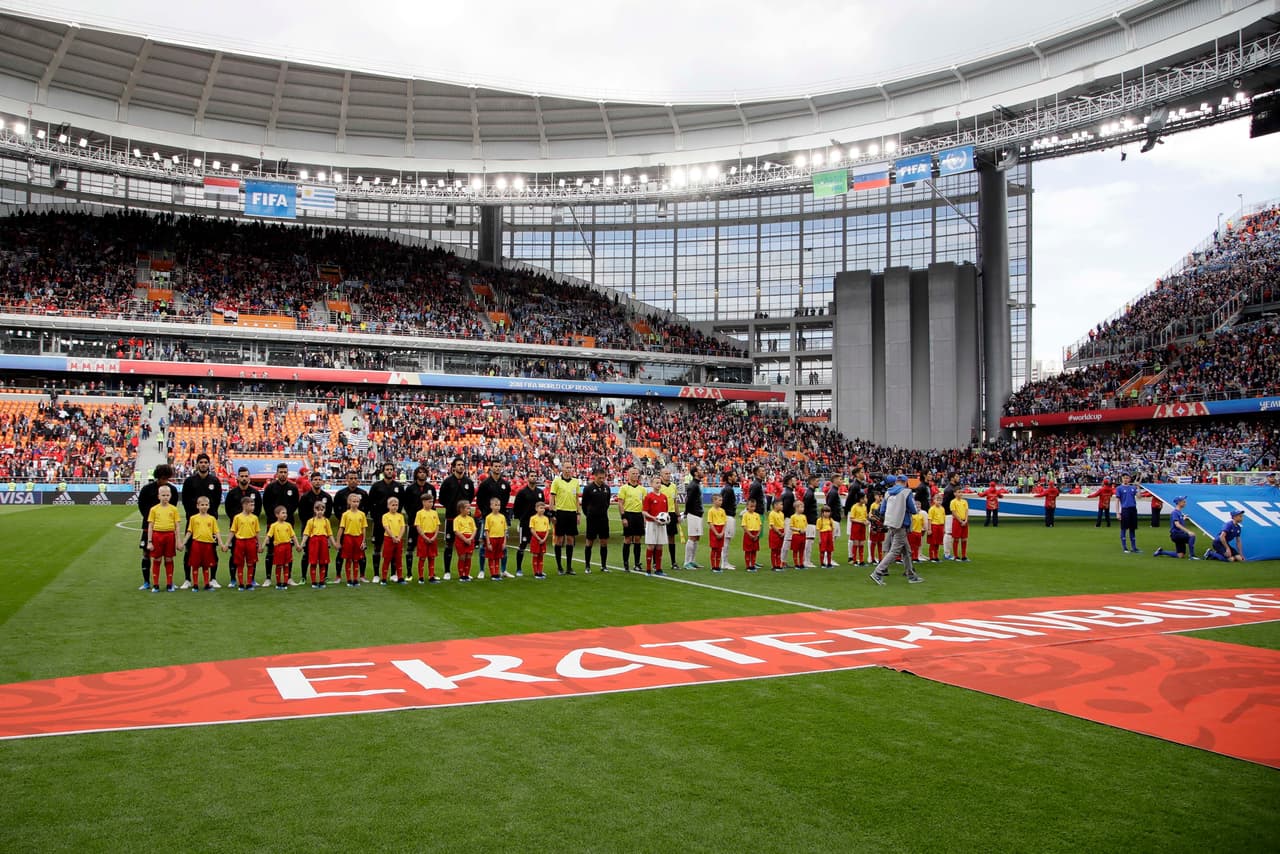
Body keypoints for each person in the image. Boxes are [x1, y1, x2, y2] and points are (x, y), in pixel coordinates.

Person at [869, 475, 925, 585]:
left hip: (891, 523)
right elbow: (913, 510)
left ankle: (911, 574)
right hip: (902, 524)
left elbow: (882, 510)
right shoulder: (906, 492)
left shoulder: (887, 493)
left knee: (906, 551)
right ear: (905, 482)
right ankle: (878, 572)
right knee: (895, 551)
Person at [180, 453, 223, 588]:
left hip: (209, 523)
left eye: (205, 462)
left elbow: (216, 500)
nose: (203, 464)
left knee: (212, 551)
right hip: (194, 521)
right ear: (197, 464)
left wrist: (210, 515)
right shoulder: (189, 481)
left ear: (209, 464)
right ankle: (187, 579)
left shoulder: (214, 481)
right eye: (201, 462)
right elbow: (185, 500)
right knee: (189, 551)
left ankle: (213, 578)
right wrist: (193, 516)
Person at [137, 464, 178, 590]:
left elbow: (173, 507)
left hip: (166, 529)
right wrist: (152, 519)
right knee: (146, 553)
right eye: (162, 478)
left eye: (167, 478)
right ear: (157, 477)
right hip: (149, 526)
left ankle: (169, 582)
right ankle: (146, 582)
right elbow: (141, 505)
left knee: (168, 555)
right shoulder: (147, 489)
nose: (164, 481)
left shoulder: (172, 490)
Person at [261, 463, 300, 584]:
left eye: (285, 472)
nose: (283, 474)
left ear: (287, 473)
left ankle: (288, 578)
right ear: (277, 473)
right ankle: (268, 578)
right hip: (273, 523)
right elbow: (266, 504)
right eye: (280, 472)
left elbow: (294, 505)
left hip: (288, 524)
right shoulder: (270, 487)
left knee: (288, 551)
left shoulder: (293, 488)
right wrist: (275, 519)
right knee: (271, 550)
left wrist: (285, 518)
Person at [368, 462, 406, 583]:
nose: (389, 471)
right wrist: (376, 517)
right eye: (387, 469)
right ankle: (376, 574)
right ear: (383, 471)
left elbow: (402, 503)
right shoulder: (376, 486)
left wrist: (396, 516)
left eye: (391, 469)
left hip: (394, 522)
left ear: (394, 471)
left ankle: (394, 573)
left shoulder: (399, 486)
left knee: (394, 548)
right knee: (377, 546)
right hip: (380, 521)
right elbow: (371, 502)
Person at [438, 457, 475, 581]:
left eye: (462, 464)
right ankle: (447, 571)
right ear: (453, 467)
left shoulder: (468, 482)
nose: (461, 466)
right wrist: (451, 506)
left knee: (467, 546)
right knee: (449, 544)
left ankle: (465, 572)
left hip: (466, 519)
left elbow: (470, 498)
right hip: (451, 517)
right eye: (458, 464)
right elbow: (442, 498)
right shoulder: (448, 482)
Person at [475, 461, 512, 577]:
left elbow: (505, 500)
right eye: (495, 466)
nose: (497, 468)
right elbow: (479, 500)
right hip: (487, 518)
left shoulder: (505, 484)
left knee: (503, 545)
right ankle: (481, 570)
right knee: (483, 544)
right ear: (491, 468)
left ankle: (503, 570)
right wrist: (486, 512)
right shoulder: (485, 484)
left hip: (501, 518)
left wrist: (500, 512)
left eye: (499, 466)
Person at [332, 470, 368, 581]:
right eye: (351, 478)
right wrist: (345, 520)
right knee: (341, 552)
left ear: (358, 480)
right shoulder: (340, 493)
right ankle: (338, 575)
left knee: (361, 554)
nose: (353, 481)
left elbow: (366, 508)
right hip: (345, 529)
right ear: (347, 480)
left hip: (358, 529)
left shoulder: (363, 493)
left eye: (355, 478)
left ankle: (361, 575)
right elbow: (336, 508)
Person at [182, 495, 224, 591]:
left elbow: (216, 532)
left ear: (209, 506)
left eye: (206, 504)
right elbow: (189, 532)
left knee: (206, 565)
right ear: (197, 506)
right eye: (202, 505)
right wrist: (183, 542)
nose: (204, 506)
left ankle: (206, 584)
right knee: (195, 565)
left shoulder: (212, 519)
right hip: (197, 544)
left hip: (208, 544)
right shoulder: (193, 518)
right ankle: (195, 585)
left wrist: (221, 544)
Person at [145, 483, 182, 592]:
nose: (165, 497)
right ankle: (156, 585)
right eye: (163, 495)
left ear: (170, 496)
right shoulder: (154, 509)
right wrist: (149, 541)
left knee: (169, 559)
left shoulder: (174, 509)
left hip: (170, 535)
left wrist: (178, 541)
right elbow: (150, 526)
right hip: (157, 536)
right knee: (157, 559)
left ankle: (169, 584)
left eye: (167, 495)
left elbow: (177, 526)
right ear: (159, 496)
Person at [403, 466, 437, 573]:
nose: (422, 474)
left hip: (428, 525)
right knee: (410, 548)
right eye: (420, 472)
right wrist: (412, 515)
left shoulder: (431, 488)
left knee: (429, 550)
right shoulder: (410, 488)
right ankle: (409, 573)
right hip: (414, 523)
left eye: (424, 472)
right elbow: (406, 504)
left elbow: (433, 502)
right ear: (416, 474)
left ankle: (429, 573)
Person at [550, 462, 581, 576]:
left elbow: (577, 499)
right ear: (562, 468)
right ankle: (559, 566)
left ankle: (569, 566)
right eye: (566, 467)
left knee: (570, 539)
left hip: (572, 513)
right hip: (560, 513)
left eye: (570, 467)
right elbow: (552, 498)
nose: (568, 469)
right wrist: (552, 514)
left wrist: (578, 513)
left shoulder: (575, 482)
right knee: (559, 539)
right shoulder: (557, 481)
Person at [581, 466, 613, 574]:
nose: (602, 480)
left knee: (604, 542)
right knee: (589, 541)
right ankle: (587, 566)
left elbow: (607, 502)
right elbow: (584, 504)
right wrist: (589, 514)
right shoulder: (588, 488)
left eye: (603, 478)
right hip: (592, 519)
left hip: (603, 518)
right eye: (600, 478)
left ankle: (603, 566)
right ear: (594, 477)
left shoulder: (607, 488)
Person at [616, 466, 646, 574]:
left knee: (638, 539)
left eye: (637, 473)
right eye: (633, 473)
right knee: (628, 539)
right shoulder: (624, 488)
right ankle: (626, 563)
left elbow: (644, 505)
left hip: (638, 515)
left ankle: (637, 563)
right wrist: (623, 517)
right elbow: (620, 503)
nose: (635, 475)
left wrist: (644, 518)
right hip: (628, 515)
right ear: (628, 475)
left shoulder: (642, 489)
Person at [229, 495, 262, 589]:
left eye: (253, 505)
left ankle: (249, 583)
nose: (253, 507)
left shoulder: (254, 518)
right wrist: (227, 543)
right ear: (244, 505)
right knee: (240, 563)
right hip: (240, 542)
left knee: (251, 563)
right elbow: (233, 531)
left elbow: (257, 532)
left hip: (251, 542)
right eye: (251, 505)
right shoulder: (237, 517)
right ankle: (240, 584)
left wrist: (259, 545)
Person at [302, 498, 337, 587]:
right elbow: (306, 534)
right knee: (313, 562)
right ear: (314, 510)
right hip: (314, 542)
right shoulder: (310, 521)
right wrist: (302, 544)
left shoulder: (326, 521)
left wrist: (334, 544)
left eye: (322, 510)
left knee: (323, 562)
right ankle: (314, 582)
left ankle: (321, 581)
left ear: (324, 510)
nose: (320, 512)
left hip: (323, 542)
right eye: (317, 510)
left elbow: (330, 534)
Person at [337, 492, 369, 587]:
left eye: (357, 501)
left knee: (356, 559)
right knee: (348, 559)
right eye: (354, 501)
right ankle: (349, 579)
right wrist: (338, 541)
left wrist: (363, 541)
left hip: (358, 538)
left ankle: (355, 579)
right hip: (348, 538)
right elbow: (341, 528)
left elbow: (364, 528)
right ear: (349, 502)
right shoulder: (345, 514)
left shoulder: (362, 514)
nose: (355, 503)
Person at [512, 476, 541, 577]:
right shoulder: (522, 492)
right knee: (522, 545)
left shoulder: (539, 492)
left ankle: (538, 570)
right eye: (531, 476)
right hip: (525, 524)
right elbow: (516, 508)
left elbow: (542, 506)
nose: (533, 477)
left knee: (539, 547)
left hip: (538, 525)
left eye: (534, 476)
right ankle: (518, 568)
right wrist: (521, 518)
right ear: (528, 478)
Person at [266, 506, 301, 590]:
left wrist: (297, 545)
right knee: (278, 565)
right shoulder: (274, 525)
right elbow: (268, 536)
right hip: (278, 547)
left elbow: (293, 536)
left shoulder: (288, 525)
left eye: (285, 513)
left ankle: (285, 583)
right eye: (283, 513)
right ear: (277, 515)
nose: (285, 515)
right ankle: (278, 583)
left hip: (287, 546)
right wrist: (262, 546)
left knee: (286, 564)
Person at [641, 475, 669, 576]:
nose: (658, 485)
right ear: (651, 484)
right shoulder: (649, 497)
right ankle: (648, 569)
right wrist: (654, 518)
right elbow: (644, 512)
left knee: (660, 546)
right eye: (656, 483)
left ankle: (658, 568)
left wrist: (665, 519)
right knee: (651, 545)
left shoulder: (664, 497)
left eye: (659, 483)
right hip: (651, 523)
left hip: (661, 525)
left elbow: (666, 512)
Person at [379, 496, 408, 584]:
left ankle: (400, 577)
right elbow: (386, 527)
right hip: (389, 539)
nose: (395, 507)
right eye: (393, 505)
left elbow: (403, 527)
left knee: (398, 558)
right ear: (388, 506)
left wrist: (399, 537)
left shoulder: (400, 516)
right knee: (387, 558)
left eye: (396, 505)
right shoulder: (385, 516)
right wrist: (393, 537)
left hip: (398, 539)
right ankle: (384, 578)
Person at [414, 492, 441, 583]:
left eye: (432, 502)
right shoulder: (419, 513)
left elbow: (437, 525)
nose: (431, 503)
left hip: (432, 536)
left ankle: (431, 576)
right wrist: (424, 537)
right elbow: (418, 526)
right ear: (423, 502)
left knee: (432, 557)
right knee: (422, 557)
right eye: (429, 502)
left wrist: (434, 536)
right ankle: (421, 577)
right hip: (423, 537)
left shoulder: (434, 513)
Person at [683, 464, 705, 570]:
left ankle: (692, 560)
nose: (702, 471)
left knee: (696, 537)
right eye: (700, 470)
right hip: (694, 513)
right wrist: (686, 513)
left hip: (698, 513)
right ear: (696, 473)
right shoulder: (693, 485)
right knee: (692, 537)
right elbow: (689, 500)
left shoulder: (696, 484)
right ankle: (687, 562)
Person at [659, 469, 681, 570]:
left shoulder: (673, 486)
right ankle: (656, 562)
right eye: (666, 474)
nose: (668, 475)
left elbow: (675, 501)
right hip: (661, 514)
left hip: (671, 514)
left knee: (671, 538)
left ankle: (673, 562)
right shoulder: (659, 486)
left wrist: (678, 515)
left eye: (669, 473)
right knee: (659, 539)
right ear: (661, 475)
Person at [483, 497, 508, 581]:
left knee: (498, 557)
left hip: (500, 539)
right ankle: (492, 574)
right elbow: (487, 531)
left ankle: (497, 573)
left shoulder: (502, 517)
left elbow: (505, 530)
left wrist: (504, 542)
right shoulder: (488, 517)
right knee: (491, 557)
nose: (497, 507)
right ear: (491, 506)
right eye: (495, 505)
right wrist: (488, 542)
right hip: (492, 539)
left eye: (499, 505)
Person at [452, 499, 478, 581]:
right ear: (461, 509)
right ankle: (461, 575)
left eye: (469, 508)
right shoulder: (457, 519)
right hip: (461, 539)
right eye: (467, 508)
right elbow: (456, 531)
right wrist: (465, 539)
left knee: (468, 557)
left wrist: (470, 538)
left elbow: (474, 529)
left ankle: (466, 574)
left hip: (470, 539)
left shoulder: (471, 519)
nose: (469, 510)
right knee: (462, 557)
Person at [1115, 473, 1140, 553]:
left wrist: (1138, 487)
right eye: (1124, 478)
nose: (1126, 479)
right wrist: (1117, 512)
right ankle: (1125, 547)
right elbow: (1117, 501)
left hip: (1133, 509)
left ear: (1129, 479)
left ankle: (1134, 547)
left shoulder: (1133, 488)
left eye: (1127, 478)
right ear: (1122, 479)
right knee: (1124, 528)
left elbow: (1139, 496)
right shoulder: (1119, 488)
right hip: (1125, 509)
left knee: (1132, 529)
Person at [720, 470, 739, 570]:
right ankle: (724, 562)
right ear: (729, 478)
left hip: (727, 516)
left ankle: (725, 561)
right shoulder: (728, 489)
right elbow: (723, 504)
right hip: (727, 516)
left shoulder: (728, 488)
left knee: (727, 540)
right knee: (726, 540)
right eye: (734, 476)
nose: (736, 477)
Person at [527, 500, 551, 579]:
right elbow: (532, 530)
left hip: (543, 538)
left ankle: (540, 571)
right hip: (536, 537)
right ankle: (536, 573)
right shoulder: (533, 518)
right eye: (541, 508)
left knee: (541, 555)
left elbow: (548, 530)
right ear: (536, 509)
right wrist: (538, 538)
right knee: (536, 554)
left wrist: (544, 539)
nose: (542, 510)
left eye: (543, 508)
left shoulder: (546, 518)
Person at [706, 492, 728, 573]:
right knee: (714, 549)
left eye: (721, 500)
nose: (721, 502)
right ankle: (713, 566)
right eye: (719, 500)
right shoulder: (711, 511)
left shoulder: (722, 511)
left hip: (721, 530)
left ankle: (718, 566)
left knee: (719, 549)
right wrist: (716, 533)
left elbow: (725, 522)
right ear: (714, 501)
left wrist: (722, 532)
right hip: (714, 530)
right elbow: (710, 523)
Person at [802, 473, 819, 568]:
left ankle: (807, 560)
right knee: (809, 540)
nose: (818, 483)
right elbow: (806, 508)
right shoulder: (809, 493)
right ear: (812, 481)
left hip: (811, 520)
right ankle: (806, 560)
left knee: (810, 540)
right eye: (817, 481)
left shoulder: (810, 492)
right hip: (809, 520)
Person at [941, 474, 960, 559]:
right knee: (948, 533)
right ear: (952, 478)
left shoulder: (955, 487)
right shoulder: (949, 489)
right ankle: (946, 553)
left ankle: (948, 553)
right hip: (949, 513)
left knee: (951, 533)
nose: (958, 478)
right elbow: (945, 503)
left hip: (953, 513)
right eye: (956, 476)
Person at [741, 497, 762, 572]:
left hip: (755, 534)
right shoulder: (745, 515)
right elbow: (744, 526)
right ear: (747, 506)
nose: (753, 508)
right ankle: (748, 566)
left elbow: (760, 526)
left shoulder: (757, 515)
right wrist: (750, 534)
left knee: (754, 550)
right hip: (748, 534)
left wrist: (757, 534)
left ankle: (752, 565)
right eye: (751, 506)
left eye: (754, 506)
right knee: (748, 551)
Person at [847, 493, 868, 566]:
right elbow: (852, 519)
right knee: (856, 543)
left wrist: (866, 521)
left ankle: (861, 561)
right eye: (864, 498)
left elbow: (865, 516)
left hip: (862, 526)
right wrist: (861, 521)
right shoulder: (854, 507)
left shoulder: (864, 507)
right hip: (856, 526)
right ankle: (854, 560)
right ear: (860, 499)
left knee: (862, 543)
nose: (866, 499)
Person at [950, 489, 970, 562]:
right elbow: (953, 512)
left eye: (961, 492)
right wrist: (960, 521)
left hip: (964, 521)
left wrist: (966, 520)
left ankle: (964, 556)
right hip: (957, 521)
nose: (960, 493)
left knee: (964, 539)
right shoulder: (953, 502)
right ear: (955, 493)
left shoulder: (964, 501)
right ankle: (956, 556)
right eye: (958, 492)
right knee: (956, 538)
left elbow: (966, 511)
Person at [767, 500, 786, 572]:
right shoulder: (772, 513)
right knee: (774, 549)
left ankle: (778, 564)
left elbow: (782, 524)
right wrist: (778, 532)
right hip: (775, 532)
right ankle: (774, 565)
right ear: (775, 505)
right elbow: (772, 525)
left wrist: (783, 532)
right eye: (781, 504)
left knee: (779, 549)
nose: (782, 506)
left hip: (781, 532)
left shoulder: (781, 514)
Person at [926, 493, 945, 562]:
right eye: (937, 500)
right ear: (934, 500)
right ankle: (931, 557)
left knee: (938, 542)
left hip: (941, 526)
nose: (939, 502)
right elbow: (929, 519)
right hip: (934, 526)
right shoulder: (932, 509)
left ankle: (936, 556)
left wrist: (944, 528)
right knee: (933, 542)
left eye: (940, 500)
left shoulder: (942, 508)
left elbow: (943, 518)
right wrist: (929, 529)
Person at [788, 504, 807, 570]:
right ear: (796, 508)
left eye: (803, 507)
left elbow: (805, 525)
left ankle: (801, 564)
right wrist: (798, 530)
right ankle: (796, 564)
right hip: (796, 535)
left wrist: (804, 530)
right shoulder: (793, 517)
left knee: (802, 550)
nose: (803, 509)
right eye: (801, 507)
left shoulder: (804, 516)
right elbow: (791, 527)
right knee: (795, 550)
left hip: (803, 535)